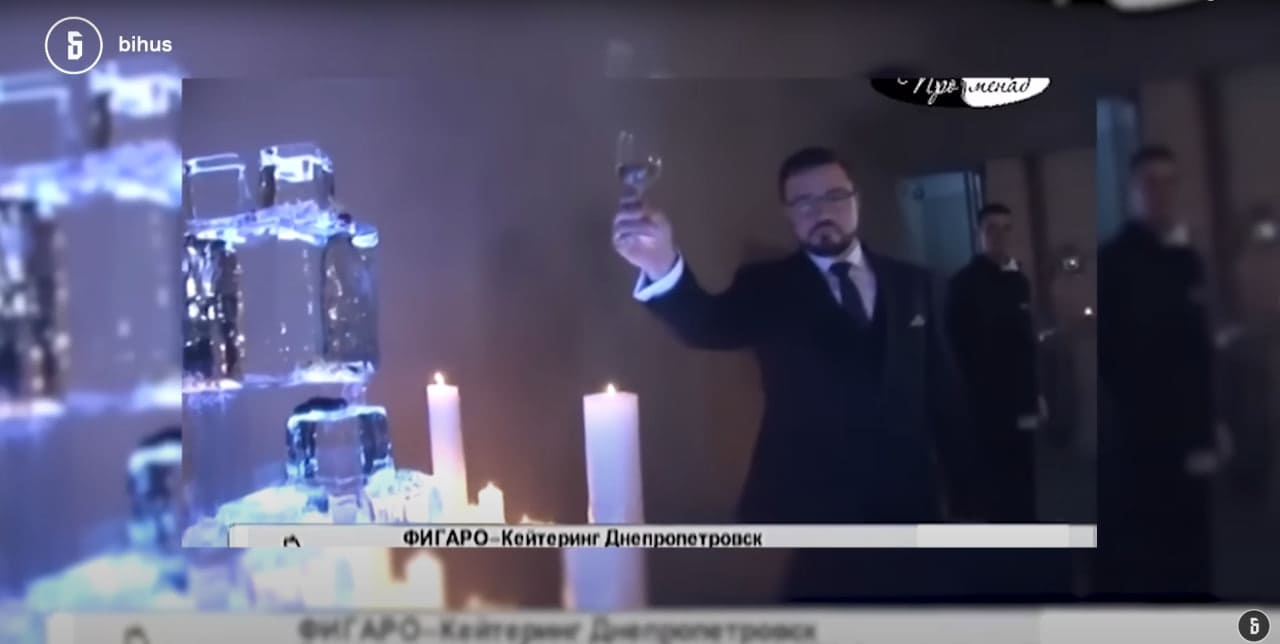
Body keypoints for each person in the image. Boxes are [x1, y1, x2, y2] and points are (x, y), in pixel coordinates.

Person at [611, 146, 979, 600]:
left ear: (856, 200)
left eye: (833, 196)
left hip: (906, 503)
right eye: (803, 202)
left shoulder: (916, 284)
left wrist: (968, 501)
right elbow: (706, 325)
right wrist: (661, 263)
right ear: (788, 213)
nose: (819, 212)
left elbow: (945, 394)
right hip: (804, 508)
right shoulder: (766, 285)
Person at [1096, 144, 1224, 599]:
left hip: (1190, 432)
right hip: (1139, 441)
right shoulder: (1113, 263)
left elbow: (1196, 348)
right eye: (1151, 183)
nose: (1161, 193)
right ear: (1132, 191)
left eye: (1170, 183)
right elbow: (1113, 359)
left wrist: (1209, 425)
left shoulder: (1186, 260)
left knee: (1193, 545)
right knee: (1148, 555)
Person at [945, 203, 1044, 522]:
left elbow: (1025, 342)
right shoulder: (962, 285)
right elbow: (953, 348)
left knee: (1024, 468)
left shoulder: (1019, 282)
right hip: (983, 404)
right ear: (979, 234)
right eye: (991, 229)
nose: (1000, 236)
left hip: (1021, 398)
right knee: (991, 478)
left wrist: (1036, 394)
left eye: (1006, 228)